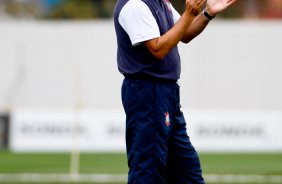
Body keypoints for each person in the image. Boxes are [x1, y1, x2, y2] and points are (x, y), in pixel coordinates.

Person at [114, 0, 237, 183]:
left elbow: (184, 33)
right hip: (148, 93)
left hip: (166, 93)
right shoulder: (134, 4)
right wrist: (189, 13)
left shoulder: (162, 2)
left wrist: (207, 14)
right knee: (148, 171)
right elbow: (157, 48)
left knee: (187, 172)